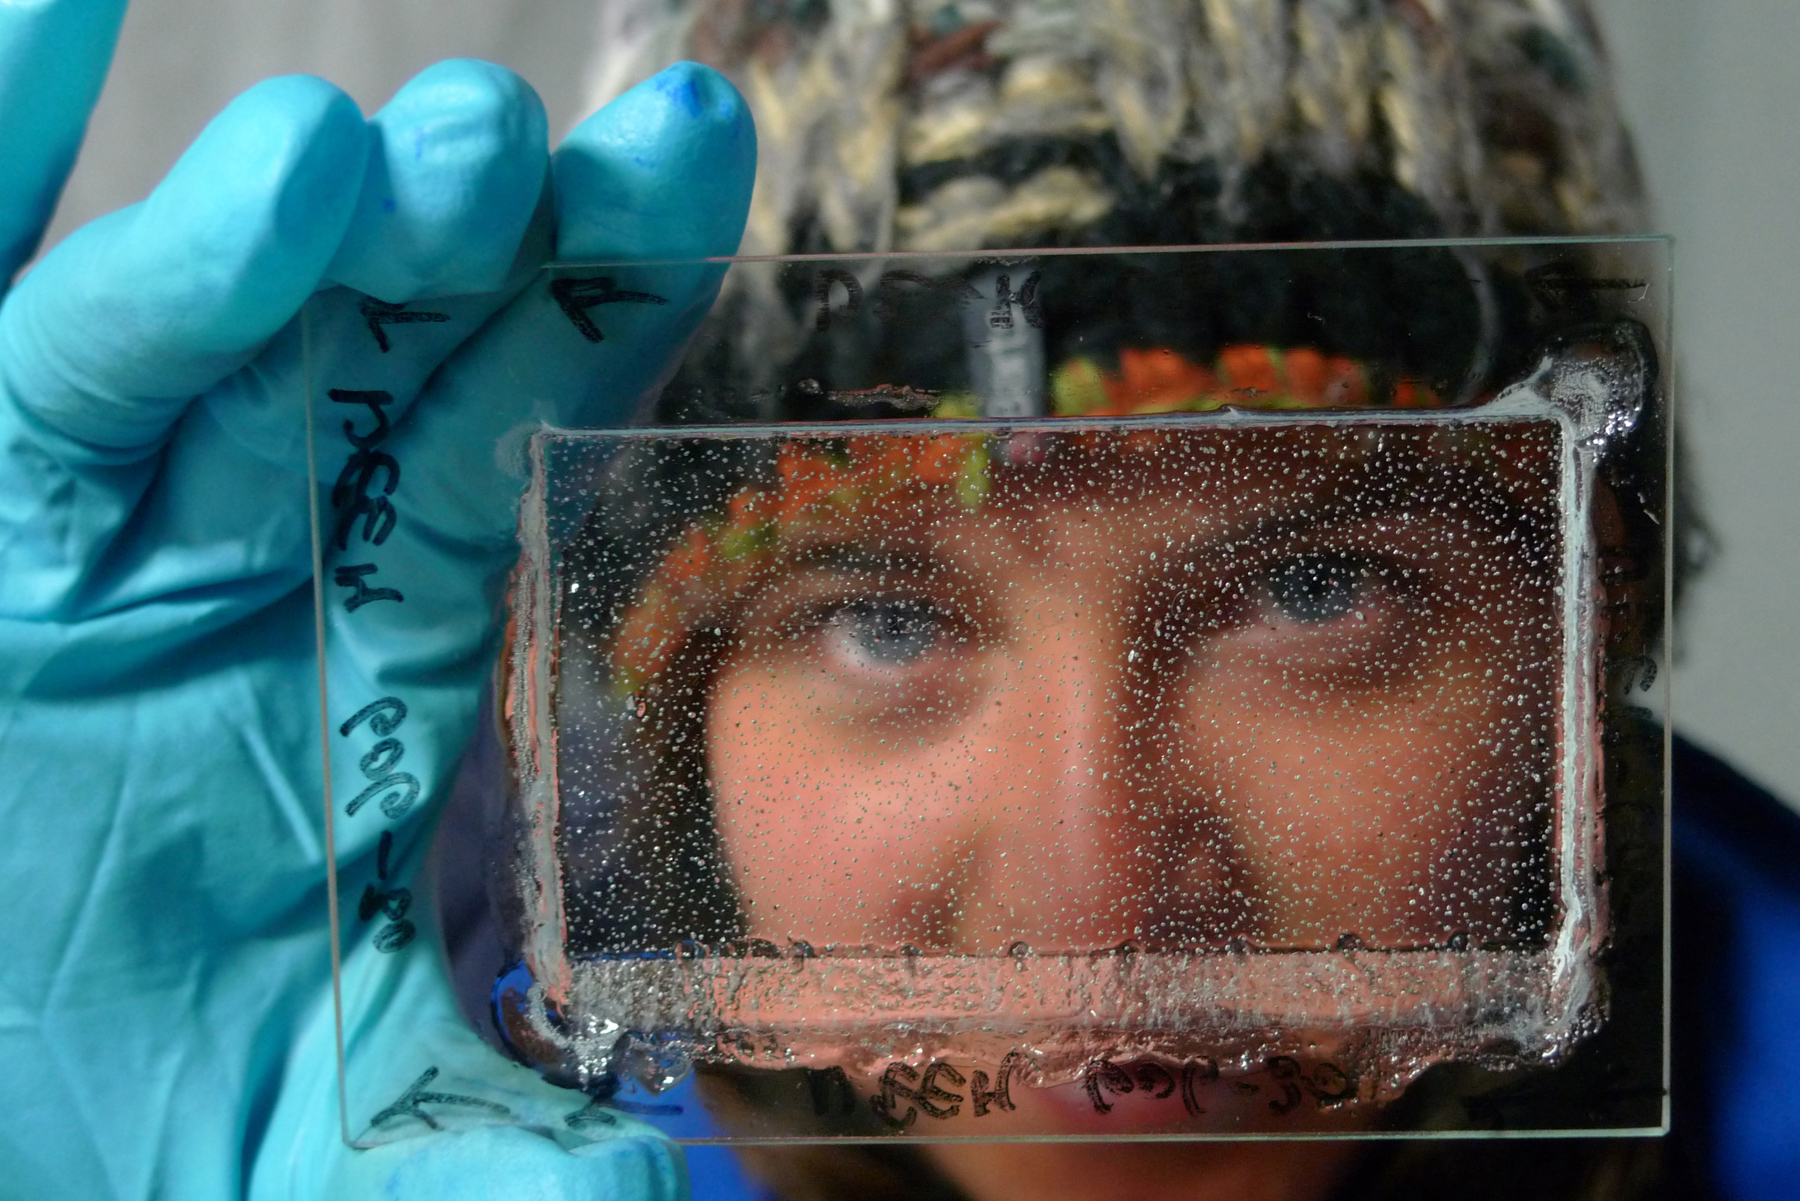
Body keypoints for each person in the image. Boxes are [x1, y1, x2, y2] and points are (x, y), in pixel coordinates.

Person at [2, 5, 1796, 1201]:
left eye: (1317, 588)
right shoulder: (377, 1116)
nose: (1095, 922)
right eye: (882, 618)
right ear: (666, 724)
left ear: (1585, 651)